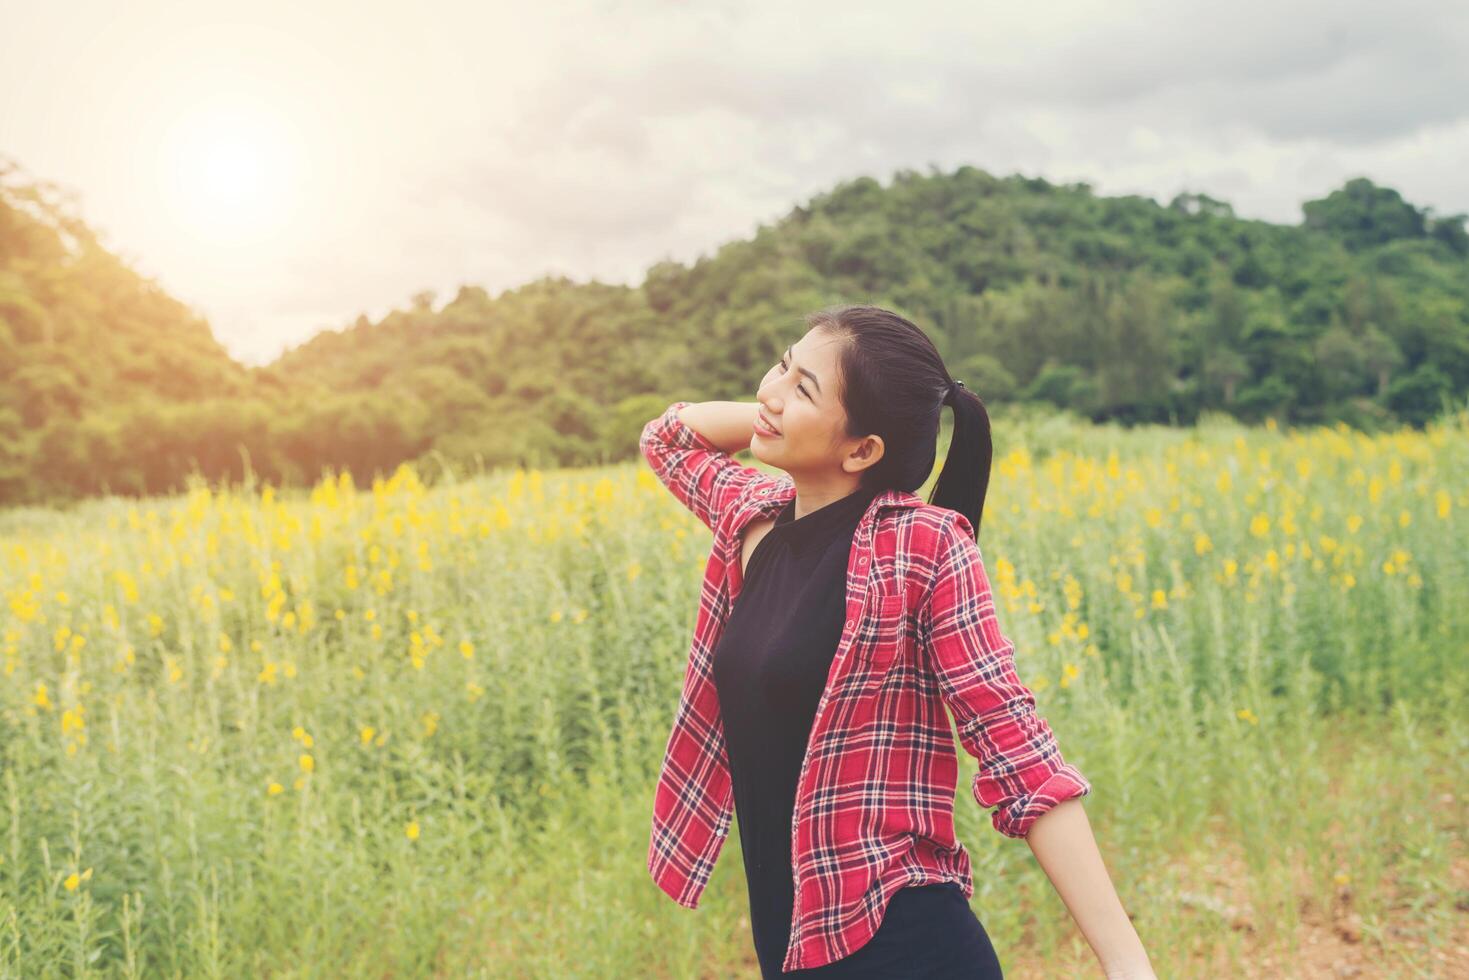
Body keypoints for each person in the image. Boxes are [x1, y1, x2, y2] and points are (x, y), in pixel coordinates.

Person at [642, 304, 1155, 977]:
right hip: (794, 941)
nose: (770, 391)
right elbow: (668, 439)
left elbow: (1018, 752)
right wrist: (784, 408)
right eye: (781, 364)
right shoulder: (751, 518)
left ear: (862, 449)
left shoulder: (922, 547)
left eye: (803, 389)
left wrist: (1126, 963)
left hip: (899, 938)